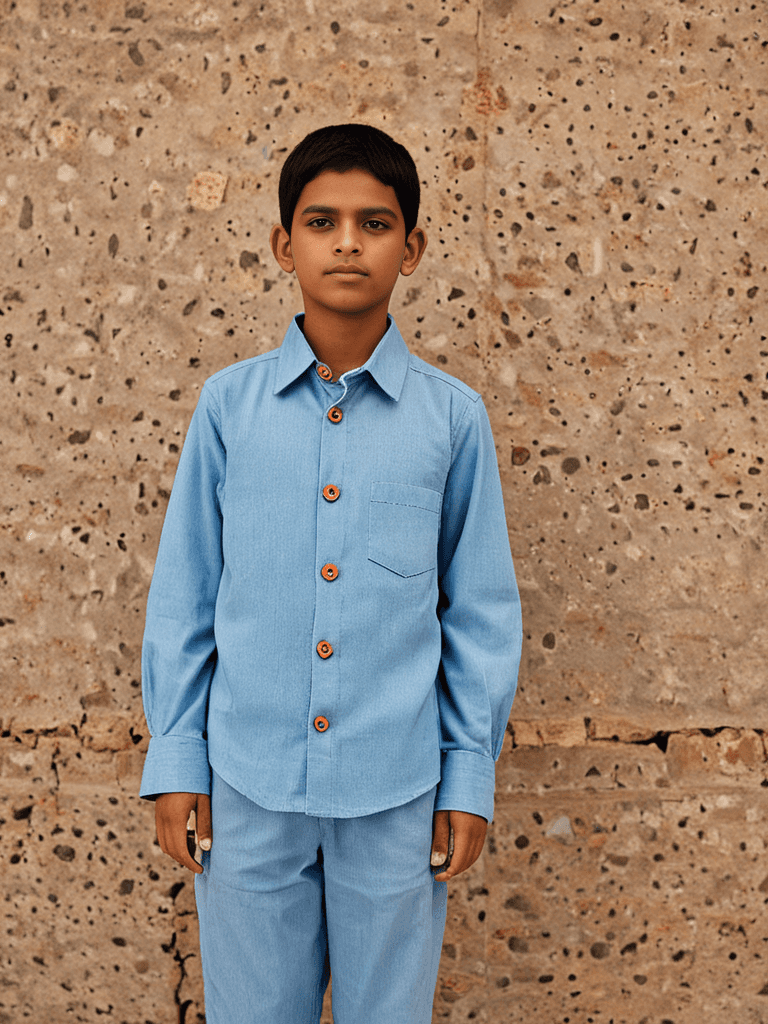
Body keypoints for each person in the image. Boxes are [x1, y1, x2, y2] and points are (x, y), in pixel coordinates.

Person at [139, 122, 522, 1024]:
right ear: (284, 245)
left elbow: (481, 611)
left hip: (396, 789)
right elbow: (188, 591)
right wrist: (176, 755)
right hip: (245, 784)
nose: (348, 242)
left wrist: (467, 773)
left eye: (375, 223)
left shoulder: (452, 421)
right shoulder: (229, 407)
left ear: (412, 248)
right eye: (321, 221)